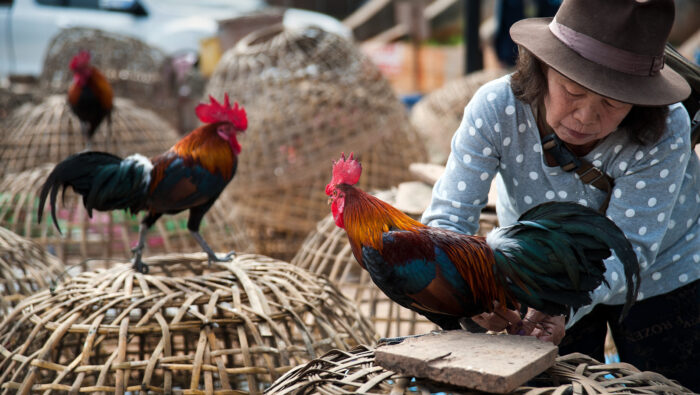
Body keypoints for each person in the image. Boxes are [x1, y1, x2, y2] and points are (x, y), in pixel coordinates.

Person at [421, 0, 699, 391]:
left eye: (612, 103)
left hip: (663, 272)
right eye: (572, 91)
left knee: (671, 385)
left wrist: (562, 303)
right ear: (542, 69)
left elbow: (631, 247)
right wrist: (472, 294)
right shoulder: (497, 107)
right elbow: (448, 219)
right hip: (541, 275)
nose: (586, 117)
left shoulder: (667, 125)